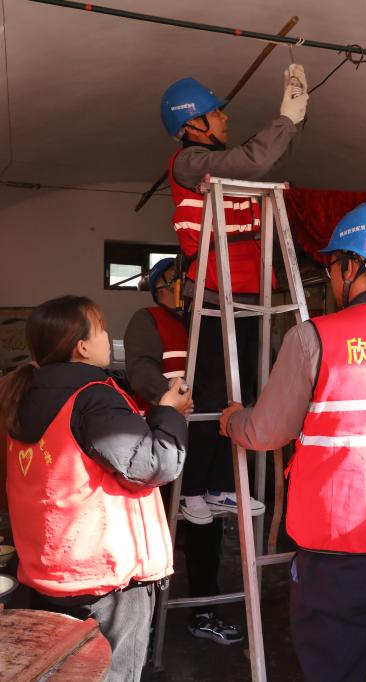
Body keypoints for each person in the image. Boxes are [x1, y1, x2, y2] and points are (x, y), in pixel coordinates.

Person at [220, 202, 366, 682]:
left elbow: (266, 432)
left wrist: (234, 420)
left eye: (333, 266)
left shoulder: (313, 338)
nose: (332, 277)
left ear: (351, 265)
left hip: (337, 548)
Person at [0, 295, 192, 682]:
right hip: (106, 578)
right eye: (101, 329)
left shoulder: (25, 394)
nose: (107, 337)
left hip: (49, 570)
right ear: (82, 346)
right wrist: (169, 412)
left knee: (63, 672)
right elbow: (155, 464)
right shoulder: (92, 397)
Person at [158, 68, 308, 525]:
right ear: (193, 123)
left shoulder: (224, 165)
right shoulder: (189, 162)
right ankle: (194, 489)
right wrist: (285, 119)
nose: (226, 118)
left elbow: (260, 164)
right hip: (212, 294)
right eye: (217, 113)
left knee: (242, 396)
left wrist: (292, 124)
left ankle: (223, 486)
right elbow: (252, 162)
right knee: (210, 396)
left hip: (247, 295)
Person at [123, 258, 243, 645]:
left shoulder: (210, 321)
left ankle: (204, 611)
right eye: (172, 282)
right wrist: (169, 397)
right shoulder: (148, 320)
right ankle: (144, 617)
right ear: (158, 290)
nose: (181, 289)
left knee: (206, 532)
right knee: (155, 530)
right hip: (166, 438)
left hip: (212, 443)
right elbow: (140, 368)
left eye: (184, 281)